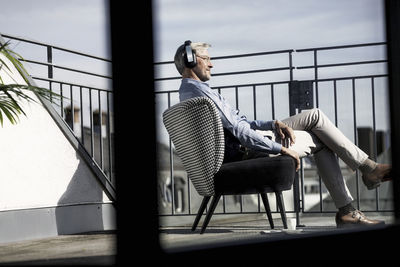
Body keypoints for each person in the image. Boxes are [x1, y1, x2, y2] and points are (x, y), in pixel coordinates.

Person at [173, 40, 392, 228]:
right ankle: (353, 201)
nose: (212, 64)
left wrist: (273, 123)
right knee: (322, 140)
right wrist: (281, 148)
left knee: (314, 116)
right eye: (206, 58)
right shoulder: (198, 92)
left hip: (251, 137)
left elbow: (242, 122)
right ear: (191, 60)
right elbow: (240, 132)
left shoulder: (192, 90)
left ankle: (367, 170)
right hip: (249, 149)